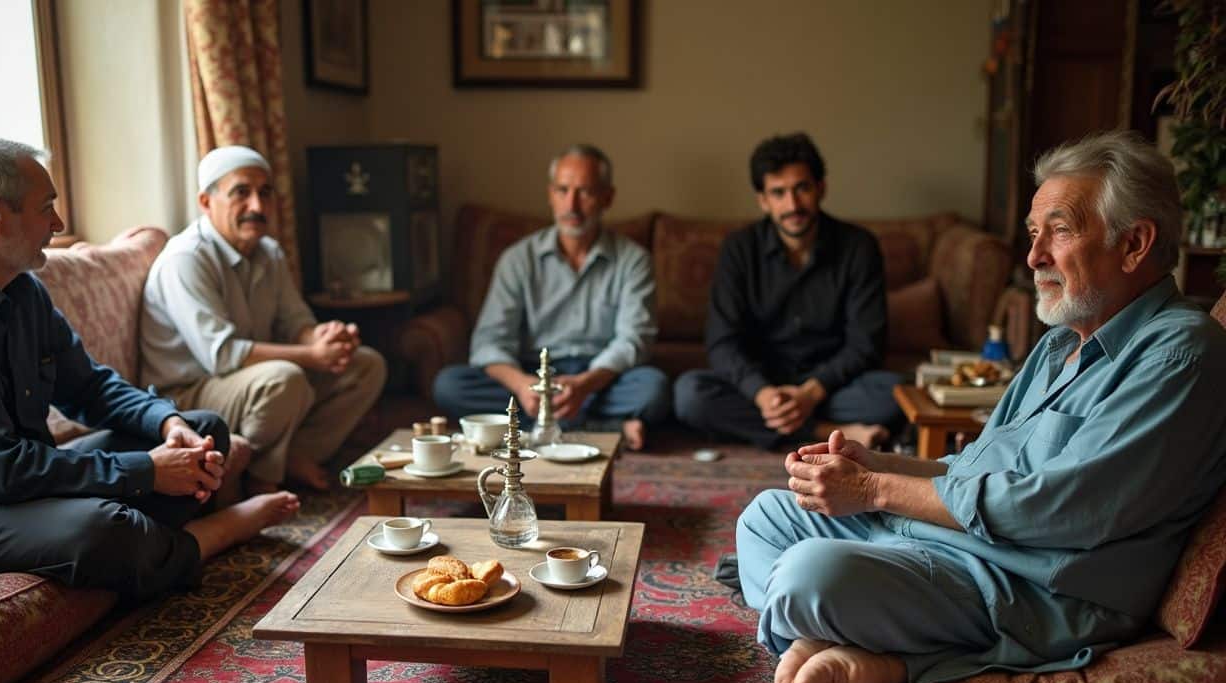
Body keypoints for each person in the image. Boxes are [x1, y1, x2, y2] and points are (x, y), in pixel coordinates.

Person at [734, 131, 1226, 683]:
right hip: (959, 545)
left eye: (1060, 231)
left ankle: (893, 660)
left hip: (1036, 585)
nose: (1034, 256)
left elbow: (1064, 508)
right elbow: (973, 468)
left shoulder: (1179, 353)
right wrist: (878, 463)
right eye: (1033, 234)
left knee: (809, 576)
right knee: (764, 519)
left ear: (1134, 243)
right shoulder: (1057, 347)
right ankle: (852, 642)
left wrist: (873, 491)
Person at [0, 135, 299, 599]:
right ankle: (212, 535)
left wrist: (167, 422)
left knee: (204, 432)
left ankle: (149, 543)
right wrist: (146, 471)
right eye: (47, 208)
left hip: (25, 484)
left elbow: (91, 388)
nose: (58, 223)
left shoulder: (20, 287)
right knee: (102, 529)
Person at [139, 146, 386, 492]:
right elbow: (222, 356)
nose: (257, 206)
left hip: (247, 381)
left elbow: (295, 322)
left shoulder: (269, 252)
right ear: (206, 202)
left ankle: (290, 458)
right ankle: (258, 482)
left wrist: (325, 338)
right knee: (286, 378)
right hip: (188, 392)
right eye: (242, 192)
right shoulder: (186, 259)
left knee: (366, 365)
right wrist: (312, 356)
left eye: (265, 193)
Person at [431, 144, 670, 451]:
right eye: (562, 190)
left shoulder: (633, 260)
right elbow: (489, 341)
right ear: (550, 194)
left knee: (654, 389)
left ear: (607, 198)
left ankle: (542, 427)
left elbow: (634, 340)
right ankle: (605, 429)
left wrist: (584, 385)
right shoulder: (518, 259)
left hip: (599, 379)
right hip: (530, 375)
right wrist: (521, 385)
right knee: (449, 385)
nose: (572, 204)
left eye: (585, 192)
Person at [674, 133, 901, 450]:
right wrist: (763, 393)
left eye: (802, 189)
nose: (792, 205)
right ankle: (826, 432)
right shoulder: (739, 249)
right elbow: (722, 341)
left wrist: (811, 393)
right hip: (762, 387)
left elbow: (866, 343)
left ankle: (796, 427)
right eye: (778, 193)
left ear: (821, 188)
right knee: (690, 395)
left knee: (896, 395)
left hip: (830, 386)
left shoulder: (858, 247)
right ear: (763, 201)